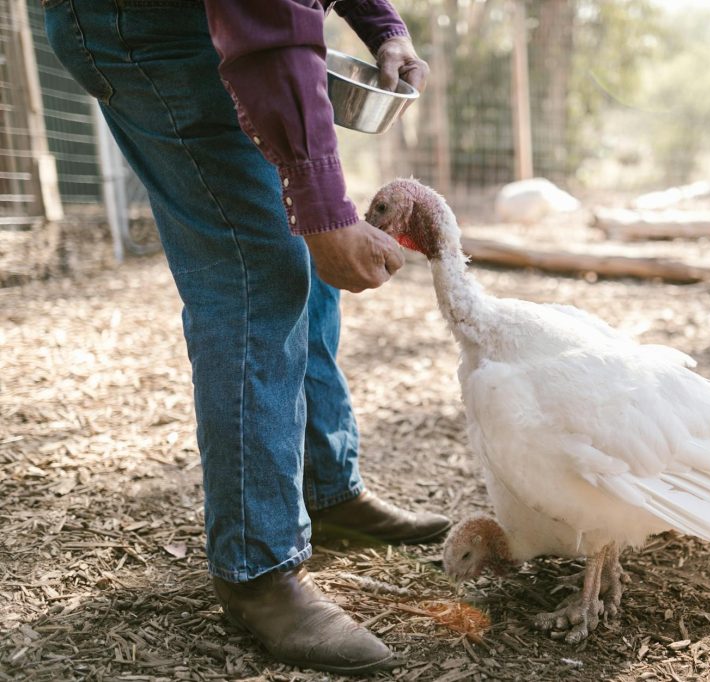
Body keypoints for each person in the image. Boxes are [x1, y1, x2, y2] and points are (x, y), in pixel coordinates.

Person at [43, 0, 449, 675]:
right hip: (142, 23)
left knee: (304, 229)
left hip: (209, 17)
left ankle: (327, 487)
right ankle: (255, 568)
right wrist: (321, 210)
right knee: (257, 264)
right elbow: (270, 18)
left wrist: (384, 26)